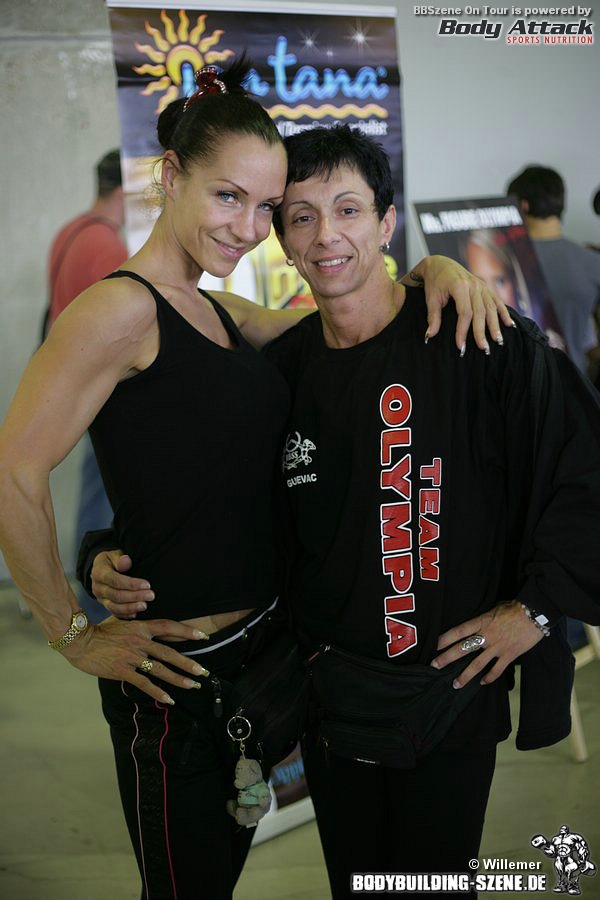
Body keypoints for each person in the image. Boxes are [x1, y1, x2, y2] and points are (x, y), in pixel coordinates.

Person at [0, 61, 508, 900]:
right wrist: (71, 630)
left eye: (267, 207)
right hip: (180, 678)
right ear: (171, 177)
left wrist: (436, 271)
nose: (248, 228)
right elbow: (14, 468)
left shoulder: (217, 310)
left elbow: (348, 317)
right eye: (228, 197)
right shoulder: (121, 309)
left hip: (267, 663)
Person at [90, 125, 600, 900]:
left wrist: (534, 611)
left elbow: (583, 471)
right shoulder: (281, 372)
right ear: (284, 241)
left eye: (349, 210)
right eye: (302, 216)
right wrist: (104, 552)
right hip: (329, 704)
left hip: (449, 697)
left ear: (386, 223)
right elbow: (209, 491)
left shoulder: (478, 340)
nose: (327, 234)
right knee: (361, 887)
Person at [45, 148, 128, 623]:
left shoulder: (70, 232)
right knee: (104, 493)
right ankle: (97, 605)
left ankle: (88, 595)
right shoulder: (106, 245)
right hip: (99, 388)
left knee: (94, 489)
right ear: (125, 190)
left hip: (71, 384)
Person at [507, 165, 600, 378]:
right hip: (577, 384)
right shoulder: (593, 262)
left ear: (522, 206)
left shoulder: (500, 262)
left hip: (517, 383)